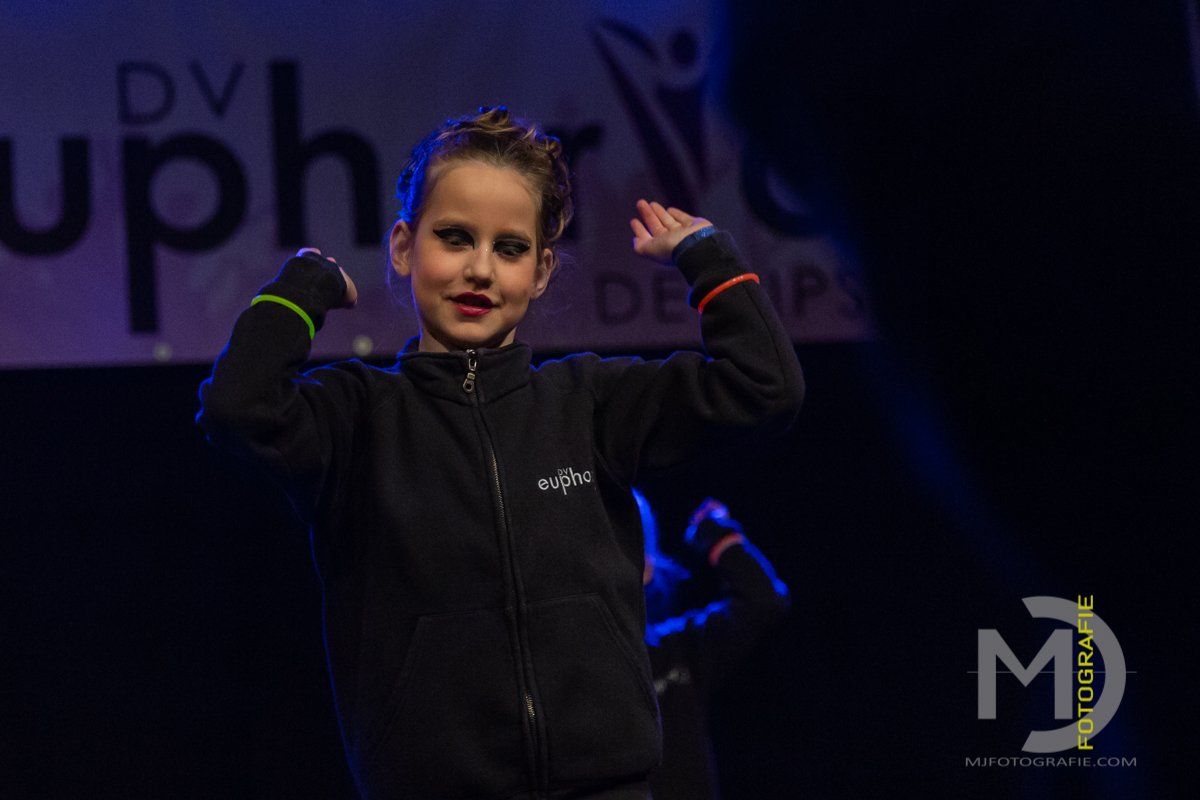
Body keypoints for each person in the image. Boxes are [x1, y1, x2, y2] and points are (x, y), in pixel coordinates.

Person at [195, 105, 804, 800]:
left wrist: (709, 259)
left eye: (510, 248)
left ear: (541, 271)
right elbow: (236, 409)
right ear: (404, 247)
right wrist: (301, 292)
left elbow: (766, 389)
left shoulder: (590, 403)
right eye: (454, 238)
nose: (480, 269)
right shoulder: (356, 418)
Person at [634, 492, 790, 800]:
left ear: (648, 567)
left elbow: (762, 601)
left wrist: (718, 538)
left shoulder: (678, 648)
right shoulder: (562, 662)